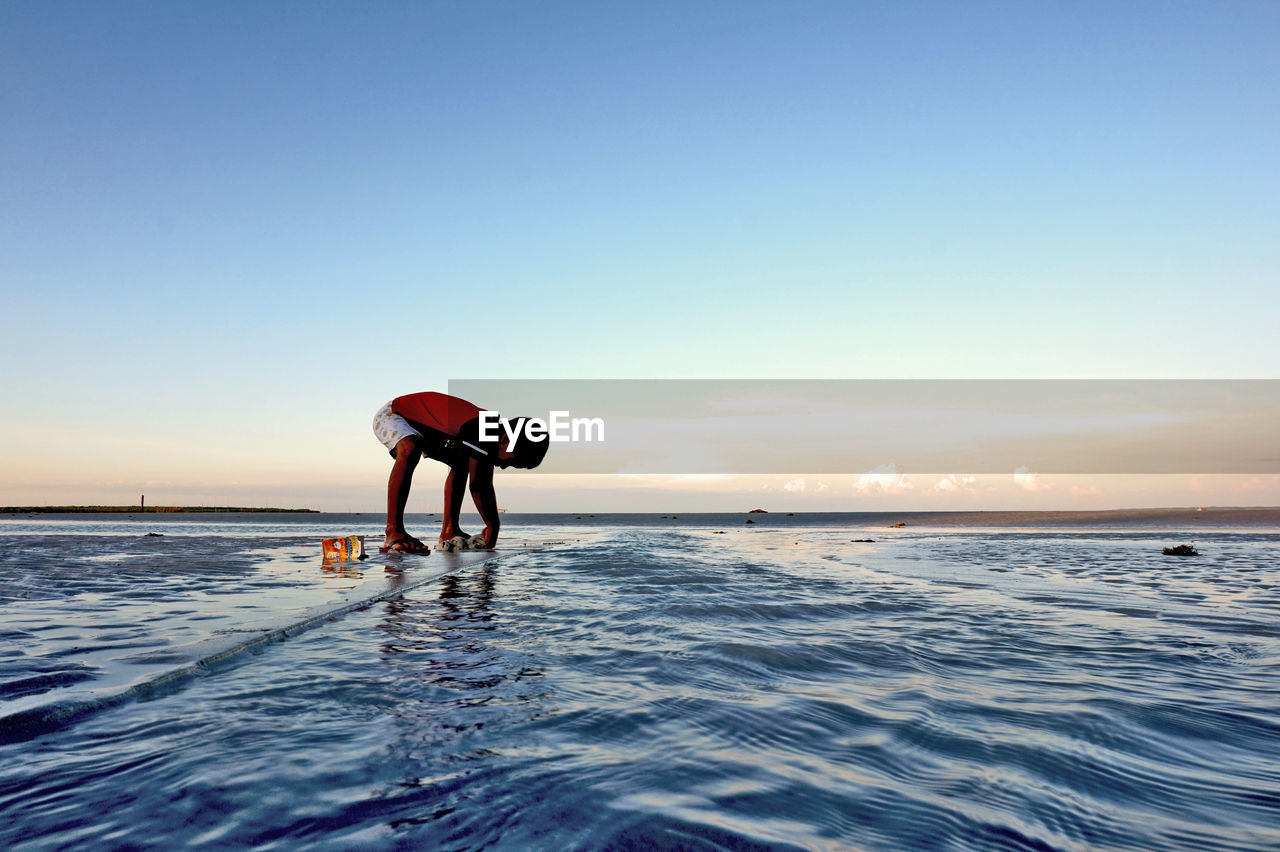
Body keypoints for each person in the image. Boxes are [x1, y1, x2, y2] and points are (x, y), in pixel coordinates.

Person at [372, 391, 548, 553]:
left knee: (461, 461)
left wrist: (491, 523)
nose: (503, 467)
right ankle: (393, 531)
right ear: (505, 439)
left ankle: (449, 530)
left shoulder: (487, 433)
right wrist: (493, 526)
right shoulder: (483, 429)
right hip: (394, 414)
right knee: (410, 449)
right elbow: (479, 485)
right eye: (510, 461)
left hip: (429, 430)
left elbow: (481, 481)